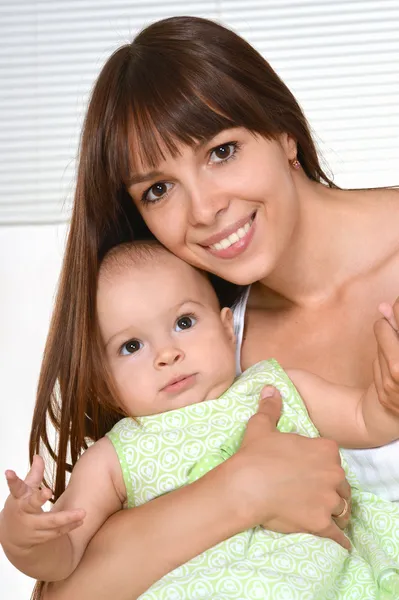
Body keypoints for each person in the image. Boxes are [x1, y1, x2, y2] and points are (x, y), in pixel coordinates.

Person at [6, 13, 399, 599]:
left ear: (285, 133)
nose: (205, 209)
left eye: (222, 151)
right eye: (158, 189)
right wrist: (243, 488)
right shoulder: (195, 338)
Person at [2, 241, 399, 600]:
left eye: (184, 323)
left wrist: (390, 393)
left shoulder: (275, 386)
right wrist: (23, 536)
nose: (167, 353)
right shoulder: (113, 456)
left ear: (228, 329)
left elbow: (366, 422)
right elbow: (66, 556)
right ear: (103, 385)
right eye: (132, 346)